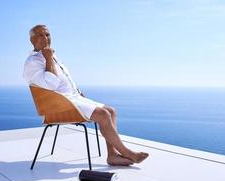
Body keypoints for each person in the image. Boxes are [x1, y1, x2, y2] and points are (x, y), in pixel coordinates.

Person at [23, 25, 148, 166]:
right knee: (103, 115)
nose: (45, 38)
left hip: (72, 98)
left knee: (111, 111)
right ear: (32, 40)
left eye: (47, 35)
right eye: (40, 35)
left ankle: (112, 155)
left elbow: (64, 81)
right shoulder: (33, 62)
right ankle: (128, 153)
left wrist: (77, 91)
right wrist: (49, 57)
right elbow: (51, 85)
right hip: (59, 105)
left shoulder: (50, 55)